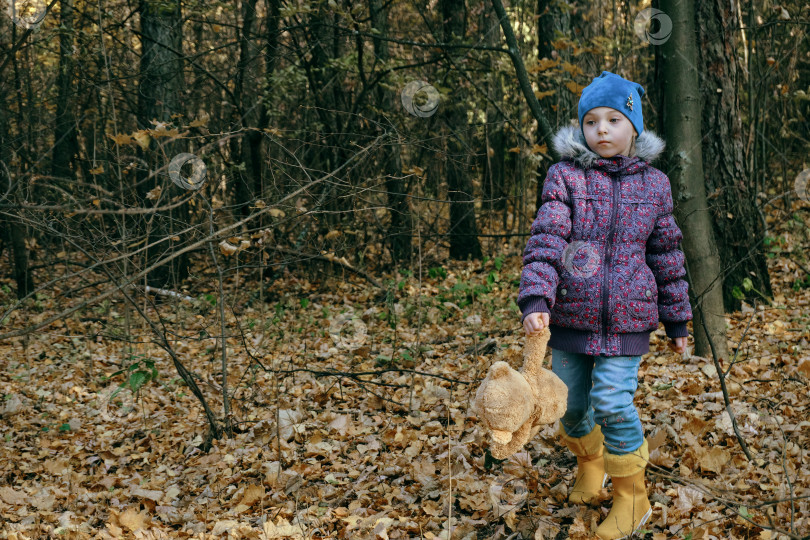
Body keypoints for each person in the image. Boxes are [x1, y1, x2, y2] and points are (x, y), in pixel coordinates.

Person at [517, 71, 692, 540]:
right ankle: (590, 463)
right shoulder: (566, 177)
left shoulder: (655, 185)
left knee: (612, 401)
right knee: (571, 407)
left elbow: (668, 256)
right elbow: (547, 239)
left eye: (614, 119)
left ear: (633, 127)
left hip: (628, 319)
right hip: (571, 313)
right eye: (591, 121)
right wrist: (537, 296)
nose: (602, 130)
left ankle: (632, 497)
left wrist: (677, 319)